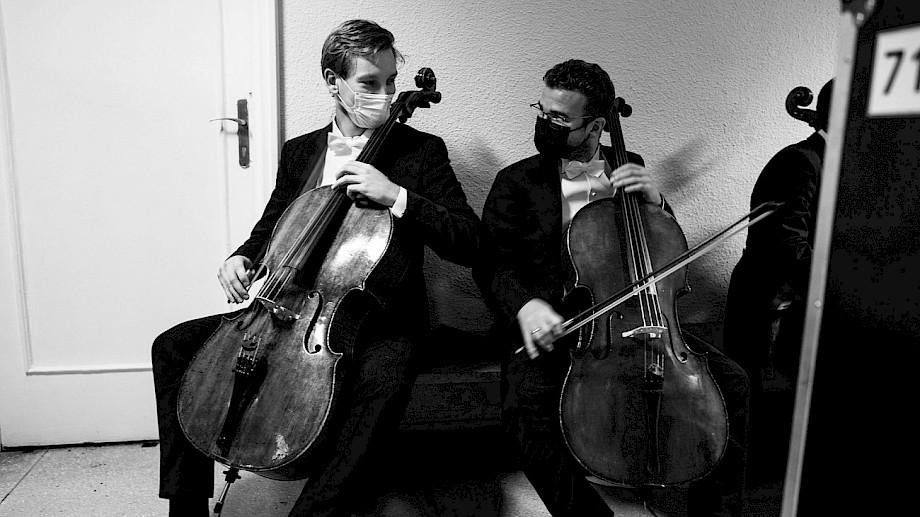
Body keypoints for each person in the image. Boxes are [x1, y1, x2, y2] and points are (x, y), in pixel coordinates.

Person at [152, 19, 480, 517]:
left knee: (383, 380)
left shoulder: (421, 151)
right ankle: (186, 508)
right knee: (173, 346)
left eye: (391, 82)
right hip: (290, 308)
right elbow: (274, 224)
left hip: (380, 317)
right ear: (333, 81)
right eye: (369, 83)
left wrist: (397, 196)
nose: (386, 95)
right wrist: (242, 256)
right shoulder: (301, 151)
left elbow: (470, 241)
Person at [474, 59, 749, 516]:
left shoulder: (630, 165)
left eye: (559, 118)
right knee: (524, 405)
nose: (544, 123)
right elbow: (493, 264)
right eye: (542, 111)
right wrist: (526, 306)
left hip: (642, 319)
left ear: (597, 125)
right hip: (558, 326)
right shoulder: (516, 182)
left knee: (733, 382)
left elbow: (662, 250)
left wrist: (658, 201)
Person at [722, 79, 833, 483]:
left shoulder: (839, 161)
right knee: (753, 414)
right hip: (770, 301)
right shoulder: (801, 161)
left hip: (799, 301)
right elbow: (789, 244)